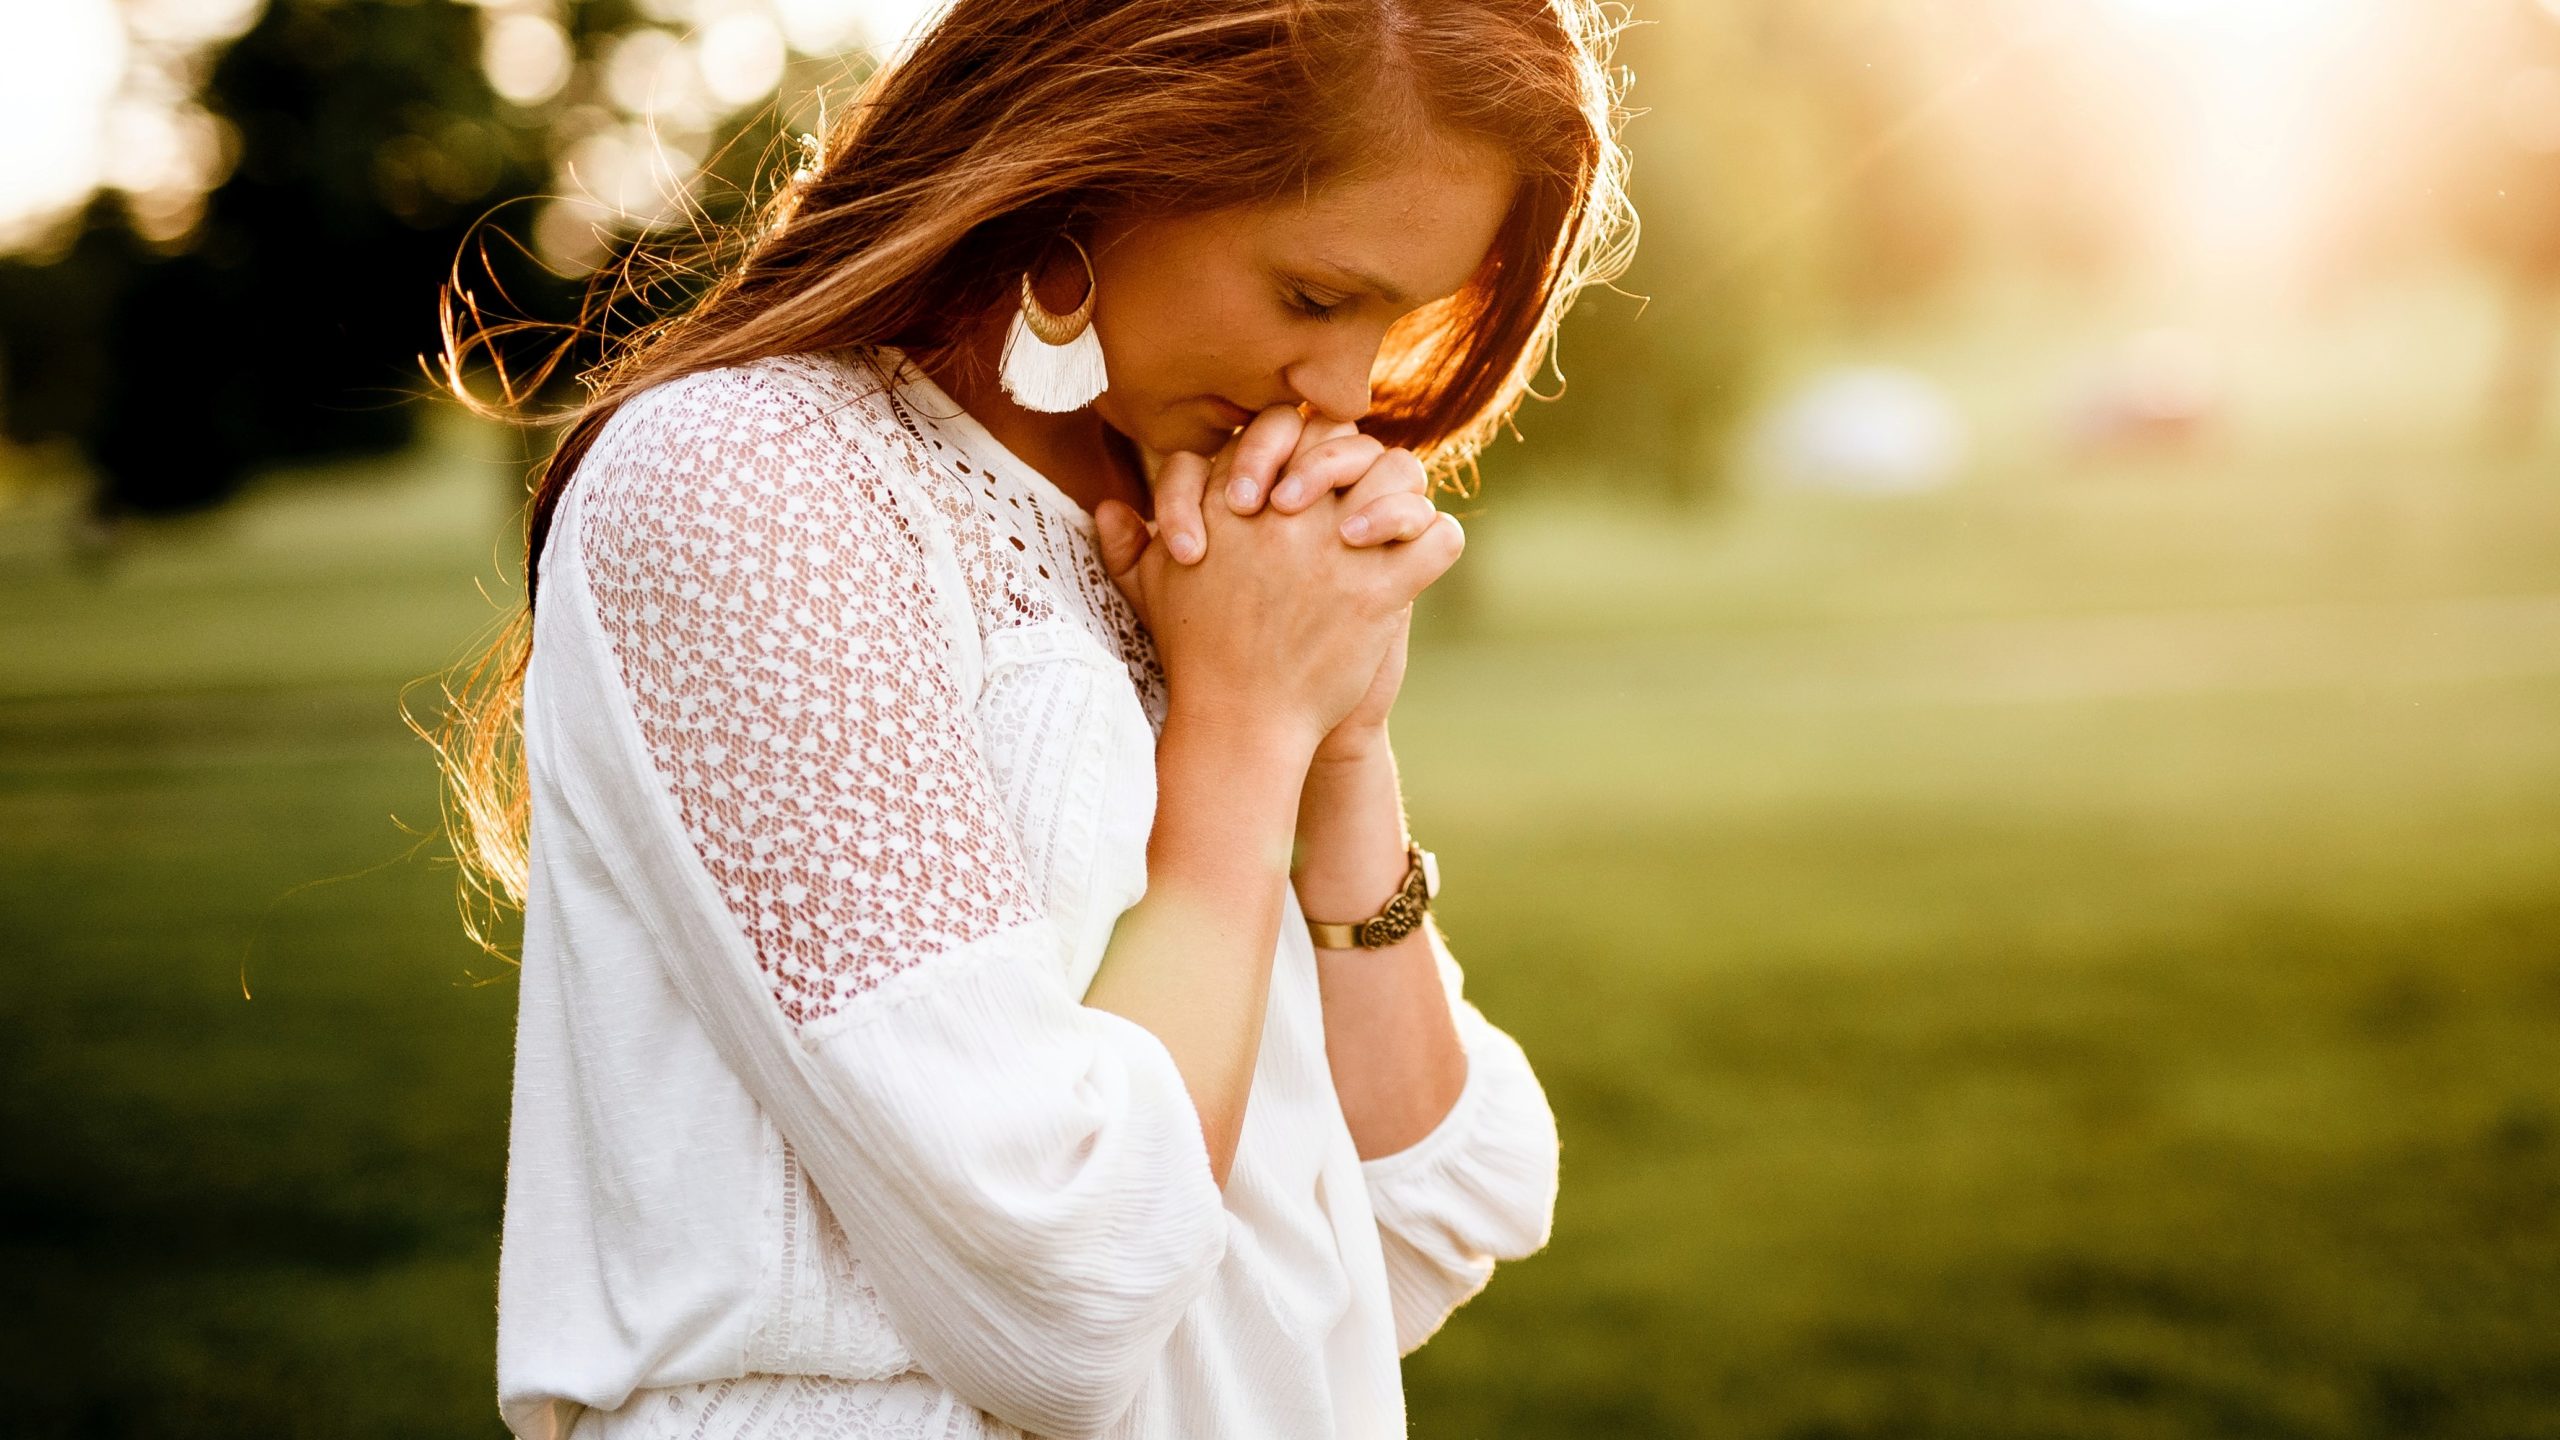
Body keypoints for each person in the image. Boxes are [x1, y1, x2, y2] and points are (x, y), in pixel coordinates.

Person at [430, 2, 1636, 1435]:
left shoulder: (1183, 528)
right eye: (1316, 298)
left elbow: (1430, 1215)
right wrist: (1244, 737)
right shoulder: (756, 488)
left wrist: (1341, 745)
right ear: (1096, 171)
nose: (1344, 391)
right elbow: (1064, 1291)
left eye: (1393, 320)